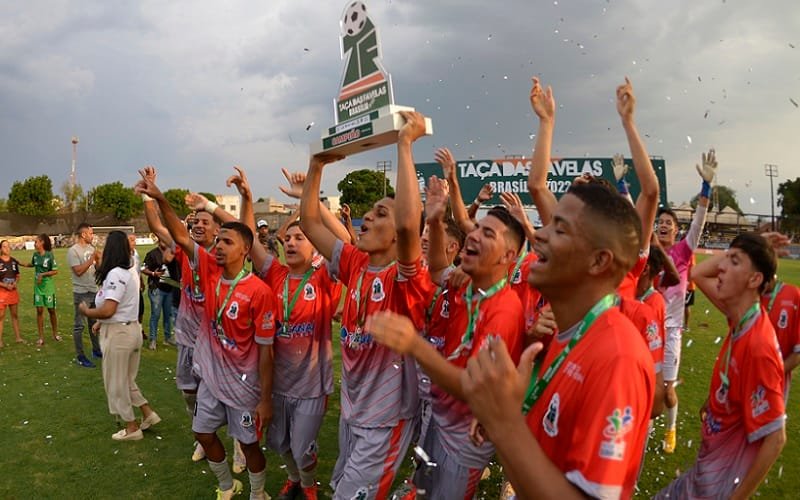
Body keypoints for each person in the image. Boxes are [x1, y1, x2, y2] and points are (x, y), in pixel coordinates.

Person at [460, 181, 655, 499]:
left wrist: (504, 422)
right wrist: (512, 416)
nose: (539, 235)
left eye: (560, 230)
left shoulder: (618, 357)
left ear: (598, 261)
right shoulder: (571, 333)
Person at [299, 111, 430, 500]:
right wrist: (316, 165)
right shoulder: (355, 263)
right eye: (369, 211)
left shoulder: (407, 279)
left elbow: (410, 224)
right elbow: (309, 222)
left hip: (386, 417)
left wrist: (403, 145)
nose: (367, 217)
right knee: (342, 486)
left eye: (380, 213)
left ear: (397, 235)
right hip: (354, 410)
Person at [368, 189, 526, 498]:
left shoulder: (504, 311)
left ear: (509, 256)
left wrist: (414, 346)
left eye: (488, 233)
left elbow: (473, 388)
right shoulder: (469, 284)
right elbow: (439, 268)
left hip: (466, 436)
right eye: (477, 228)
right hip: (441, 419)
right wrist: (437, 220)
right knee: (426, 488)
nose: (475, 235)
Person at [137, 171, 276, 500]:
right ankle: (227, 486)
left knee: (249, 443)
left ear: (244, 250)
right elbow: (177, 234)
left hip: (243, 383)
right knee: (202, 431)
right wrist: (157, 197)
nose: (218, 246)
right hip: (210, 372)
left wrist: (266, 397)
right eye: (218, 241)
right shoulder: (206, 267)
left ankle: (258, 493)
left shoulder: (258, 291)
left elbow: (266, 351)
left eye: (226, 241)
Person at [241, 168, 347, 500]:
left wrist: (308, 199)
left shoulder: (323, 276)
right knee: (279, 443)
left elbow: (344, 241)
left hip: (312, 384)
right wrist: (246, 197)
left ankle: (309, 485)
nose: (289, 242)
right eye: (287, 238)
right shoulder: (274, 274)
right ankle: (294, 479)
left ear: (315, 246)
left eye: (299, 237)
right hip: (278, 383)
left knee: (302, 446)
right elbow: (248, 241)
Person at [656, 233, 786, 499]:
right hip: (704, 471)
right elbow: (698, 272)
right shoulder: (739, 315)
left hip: (718, 487)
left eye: (734, 261)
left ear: (754, 279)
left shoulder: (759, 347)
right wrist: (754, 243)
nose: (722, 266)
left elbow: (776, 439)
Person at [656, 150, 714, 453]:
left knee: (667, 392)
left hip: (672, 334)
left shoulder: (683, 250)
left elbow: (699, 222)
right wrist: (624, 187)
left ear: (677, 230)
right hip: (646, 330)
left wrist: (705, 188)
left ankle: (671, 428)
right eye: (660, 221)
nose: (664, 225)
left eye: (669, 222)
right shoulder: (648, 252)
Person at [79, 231, 161, 441]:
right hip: (131, 329)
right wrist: (100, 321)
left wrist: (88, 313)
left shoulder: (116, 273)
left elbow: (109, 309)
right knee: (126, 379)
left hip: (119, 333)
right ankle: (148, 414)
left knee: (116, 382)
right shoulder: (130, 270)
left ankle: (131, 427)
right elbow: (124, 304)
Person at [761, 276, 800, 401]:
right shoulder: (747, 296)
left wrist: (770, 375)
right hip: (744, 380)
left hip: (775, 385)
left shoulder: (793, 295)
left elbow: (797, 353)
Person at [68, 223, 102, 367]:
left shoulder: (92, 249)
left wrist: (99, 260)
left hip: (93, 291)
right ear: (83, 235)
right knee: (79, 326)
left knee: (94, 323)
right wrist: (92, 259)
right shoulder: (73, 251)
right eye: (90, 233)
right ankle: (80, 356)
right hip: (81, 293)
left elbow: (97, 269)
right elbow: (78, 271)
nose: (92, 236)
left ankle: (96, 350)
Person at [22, 234, 60, 346]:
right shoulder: (35, 255)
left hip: (48, 287)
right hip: (38, 287)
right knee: (39, 311)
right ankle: (41, 338)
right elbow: (32, 264)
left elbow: (55, 271)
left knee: (51, 310)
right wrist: (21, 263)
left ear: (42, 242)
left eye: (36, 241)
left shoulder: (49, 255)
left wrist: (42, 275)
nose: (34, 244)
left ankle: (55, 334)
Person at [143, 239, 178, 350]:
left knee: (168, 315)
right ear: (158, 241)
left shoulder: (172, 253)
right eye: (162, 240)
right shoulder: (152, 254)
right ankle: (153, 339)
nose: (165, 242)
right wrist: (153, 273)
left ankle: (167, 338)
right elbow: (143, 268)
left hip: (170, 288)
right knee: (155, 315)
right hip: (157, 288)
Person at [0, 240, 23, 346]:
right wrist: (5, 285)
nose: (7, 249)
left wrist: (15, 283)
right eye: (4, 247)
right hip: (2, 292)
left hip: (12, 291)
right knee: (1, 316)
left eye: (8, 246)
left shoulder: (13, 261)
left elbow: (18, 275)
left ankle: (18, 338)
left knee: (15, 315)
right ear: (1, 249)